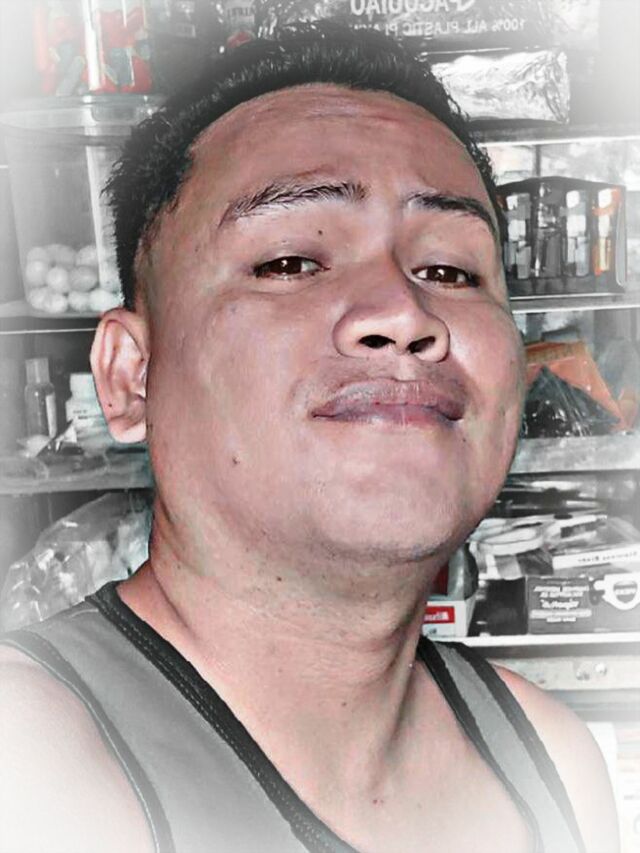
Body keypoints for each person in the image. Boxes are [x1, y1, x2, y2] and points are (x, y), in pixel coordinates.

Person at [1, 25, 619, 853]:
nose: (403, 313)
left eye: (450, 271)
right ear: (131, 376)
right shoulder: (28, 760)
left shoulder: (555, 764)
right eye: (290, 262)